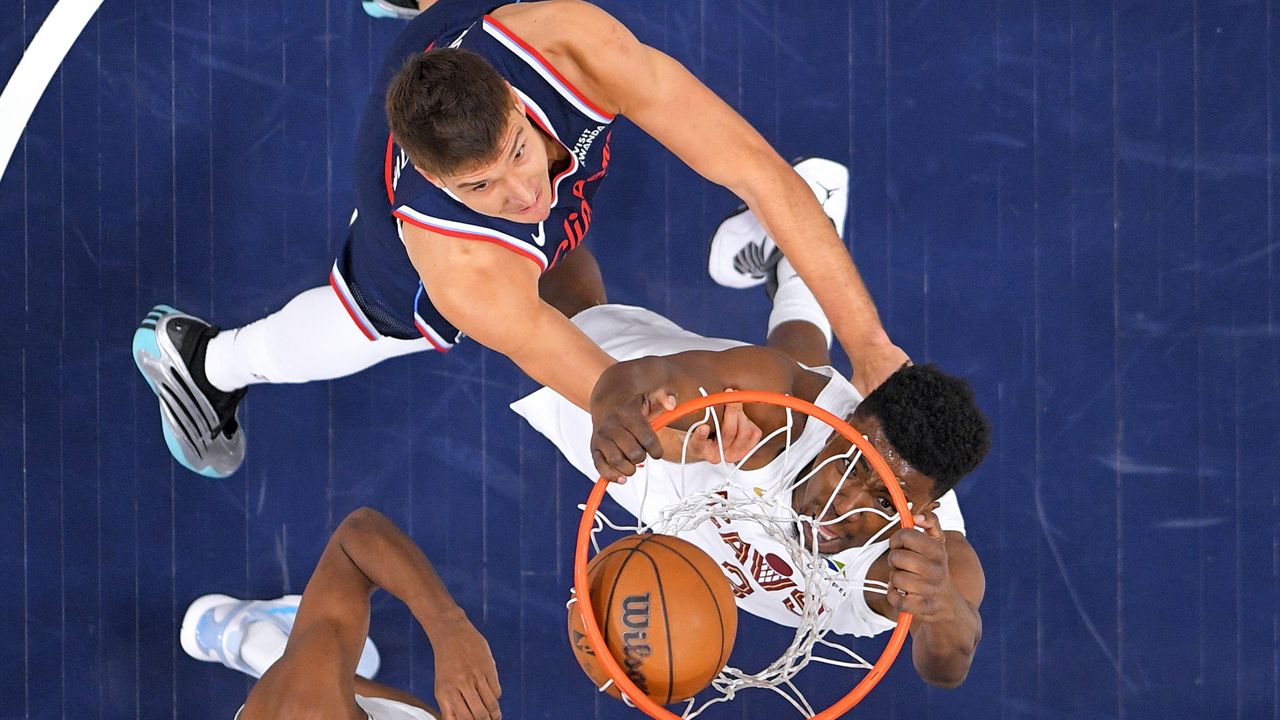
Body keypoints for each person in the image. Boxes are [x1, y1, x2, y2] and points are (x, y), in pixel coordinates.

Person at [131, 0, 905, 478]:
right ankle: (206, 363)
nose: (524, 195)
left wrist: (869, 346)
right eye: (481, 187)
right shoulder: (458, 264)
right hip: (422, 243)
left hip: (466, 29)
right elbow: (601, 384)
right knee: (384, 320)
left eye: (516, 154)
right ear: (440, 186)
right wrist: (681, 439)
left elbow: (765, 176)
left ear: (510, 94)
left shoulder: (570, 43)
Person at [510, 184, 990, 688]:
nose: (844, 504)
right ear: (839, 426)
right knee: (562, 316)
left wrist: (938, 610)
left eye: (882, 499)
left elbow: (948, 663)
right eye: (851, 464)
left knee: (805, 370)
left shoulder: (924, 561)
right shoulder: (771, 403)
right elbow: (640, 378)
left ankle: (792, 260)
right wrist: (613, 409)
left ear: (920, 513)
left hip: (710, 497)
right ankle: (513, 196)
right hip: (657, 455)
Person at [180, 508, 501, 720]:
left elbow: (353, 543)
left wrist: (448, 626)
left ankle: (255, 639)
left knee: (317, 666)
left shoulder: (308, 708)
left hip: (303, 699)